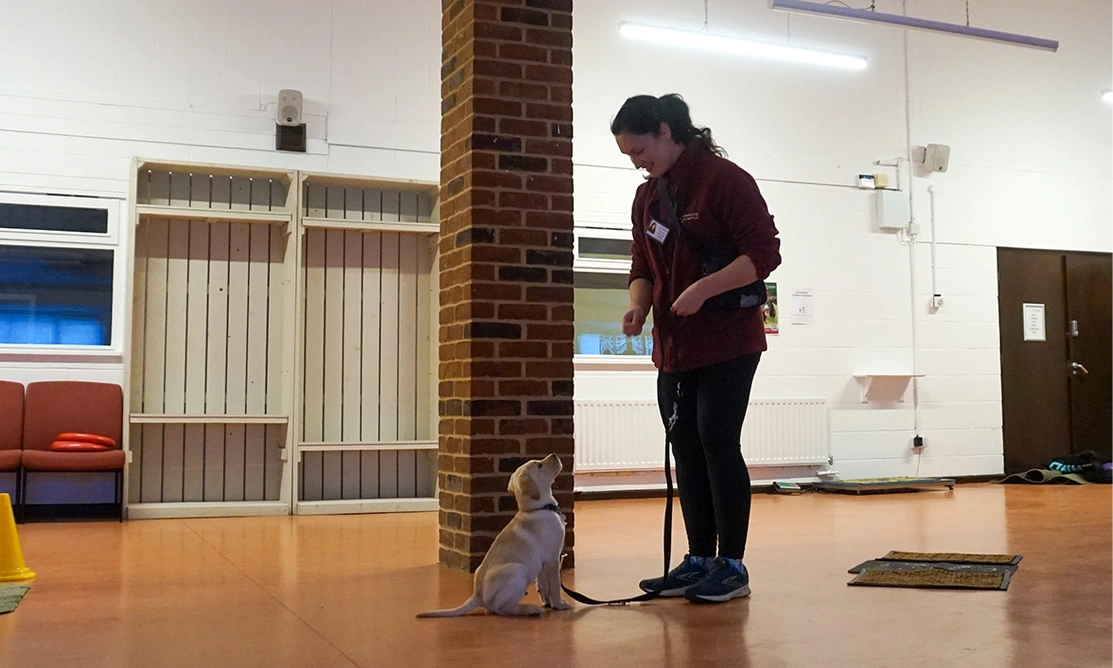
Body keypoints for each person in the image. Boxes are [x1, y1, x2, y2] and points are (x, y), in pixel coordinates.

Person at [612, 94, 781, 604]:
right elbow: (641, 264)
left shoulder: (725, 180)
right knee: (684, 444)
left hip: (728, 340)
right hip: (675, 347)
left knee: (716, 440)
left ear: (666, 131)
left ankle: (732, 565)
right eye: (629, 156)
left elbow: (764, 255)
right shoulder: (647, 198)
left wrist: (704, 290)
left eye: (640, 150)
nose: (636, 162)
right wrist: (640, 307)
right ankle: (699, 558)